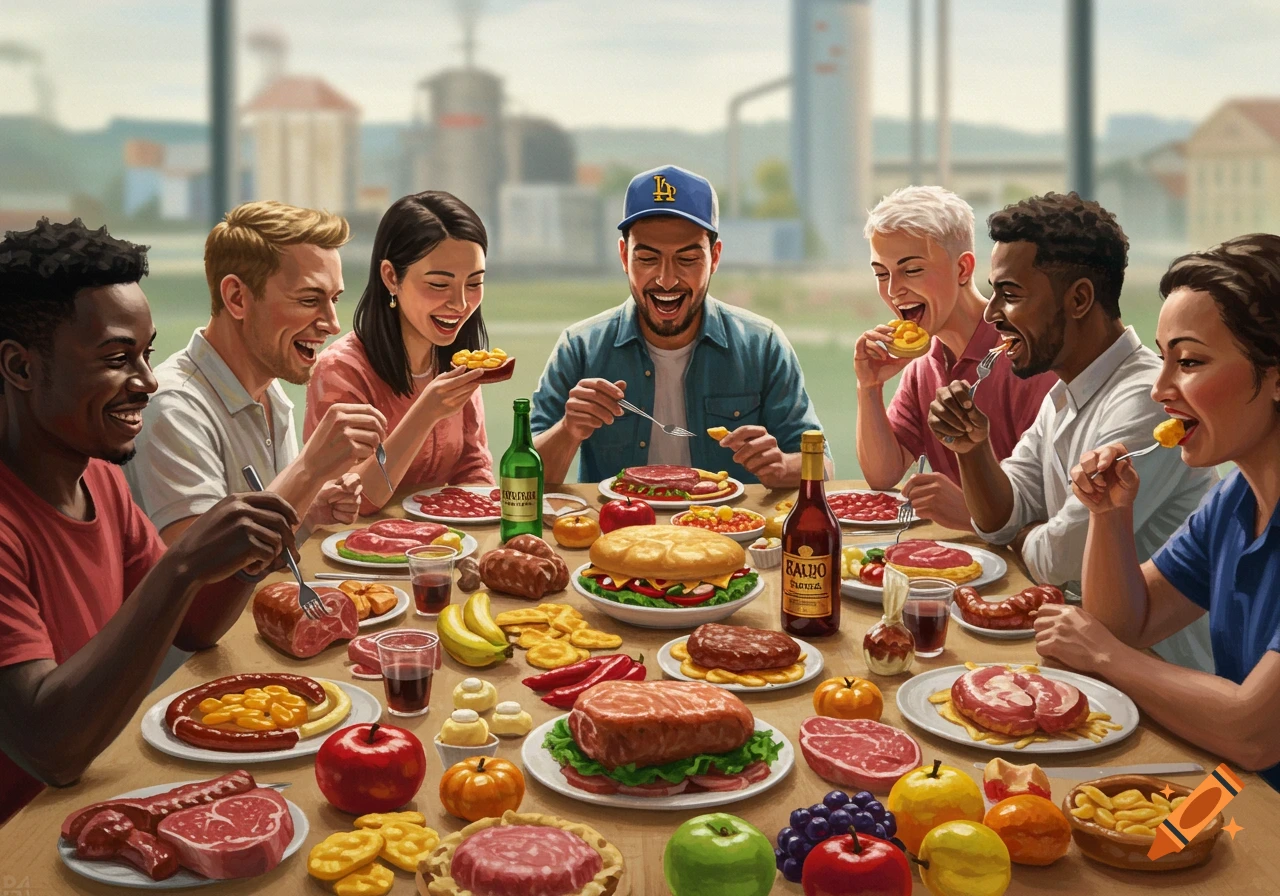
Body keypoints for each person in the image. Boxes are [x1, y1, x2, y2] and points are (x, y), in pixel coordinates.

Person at [0, 219, 297, 823]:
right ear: (20, 367)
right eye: (117, 359)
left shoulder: (100, 478)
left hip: (100, 797)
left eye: (146, 354)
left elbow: (191, 627)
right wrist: (184, 564)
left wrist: (242, 558)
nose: (147, 382)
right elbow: (50, 750)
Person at [927, 192, 1216, 671]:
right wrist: (971, 450)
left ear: (1079, 299)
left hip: (1159, 669)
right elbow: (999, 519)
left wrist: (1023, 536)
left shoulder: (1147, 400)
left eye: (1010, 294)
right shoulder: (1063, 395)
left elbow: (1058, 561)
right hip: (1085, 651)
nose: (991, 313)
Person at [1037, 234, 1280, 789]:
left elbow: (1255, 732)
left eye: (1189, 362)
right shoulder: (1234, 500)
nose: (1160, 389)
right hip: (1235, 790)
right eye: (1163, 357)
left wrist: (1104, 657)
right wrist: (1108, 517)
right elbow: (1127, 623)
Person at [531, 165, 830, 487]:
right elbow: (523, 474)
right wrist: (568, 430)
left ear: (715, 257)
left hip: (728, 520)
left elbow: (823, 467)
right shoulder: (579, 347)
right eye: (647, 259)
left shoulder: (763, 345)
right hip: (618, 519)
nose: (666, 280)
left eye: (687, 259)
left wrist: (783, 465)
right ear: (624, 256)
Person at [127, 201, 387, 543]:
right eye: (309, 300)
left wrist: (309, 512)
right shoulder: (172, 409)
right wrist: (309, 469)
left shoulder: (269, 391)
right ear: (237, 297)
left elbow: (261, 550)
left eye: (334, 300)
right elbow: (199, 566)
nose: (333, 324)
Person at [856, 186, 1055, 530]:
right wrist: (869, 386)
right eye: (881, 273)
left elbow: (1059, 511)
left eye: (911, 270)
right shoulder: (923, 365)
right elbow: (883, 475)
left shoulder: (1025, 358)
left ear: (962, 269)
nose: (892, 290)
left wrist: (974, 513)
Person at [306, 192, 490, 514]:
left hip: (445, 539)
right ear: (391, 277)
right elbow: (350, 500)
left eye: (474, 283)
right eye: (439, 284)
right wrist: (425, 413)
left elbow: (474, 467)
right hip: (357, 541)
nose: (460, 304)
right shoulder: (340, 370)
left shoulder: (457, 359)